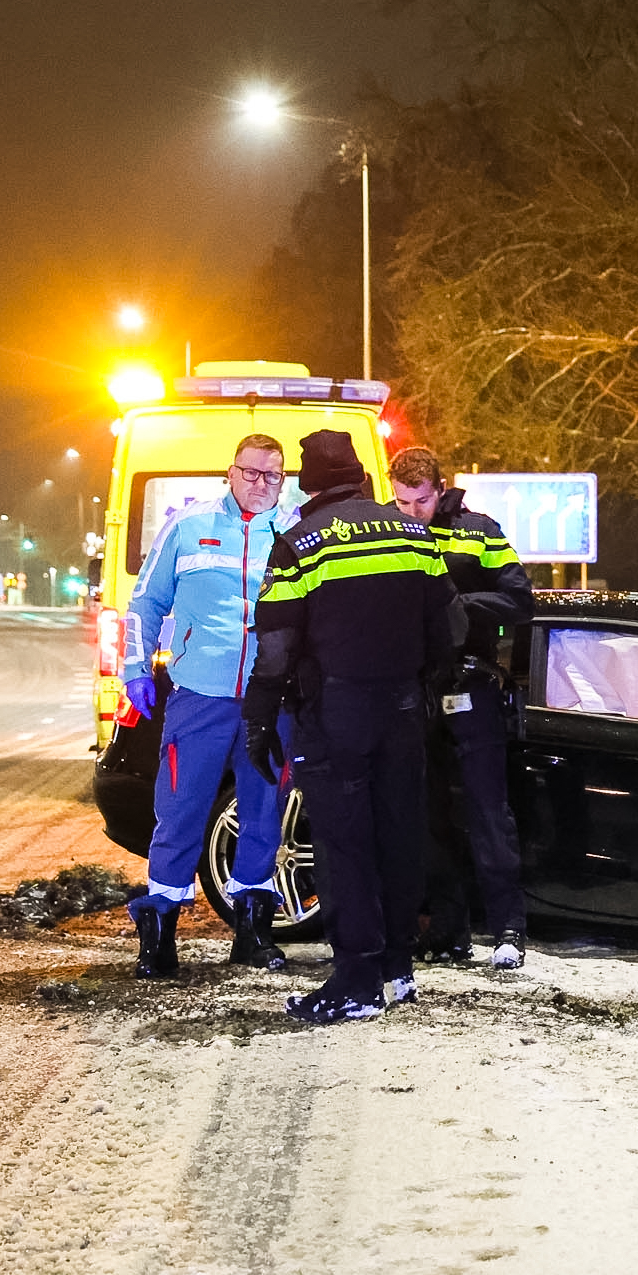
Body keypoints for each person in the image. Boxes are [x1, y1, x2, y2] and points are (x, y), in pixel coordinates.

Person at [243, 429, 460, 1023]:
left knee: (345, 846)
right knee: (398, 835)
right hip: (402, 710)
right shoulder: (414, 532)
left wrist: (259, 718)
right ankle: (396, 971)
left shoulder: (298, 543)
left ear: (308, 483)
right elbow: (450, 627)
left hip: (336, 714)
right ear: (361, 477)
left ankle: (356, 981)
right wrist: (421, 684)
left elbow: (277, 649)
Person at [121, 434, 299, 979]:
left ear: (283, 478)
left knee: (264, 815)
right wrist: (133, 668)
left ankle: (252, 934)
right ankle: (159, 936)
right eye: (251, 473)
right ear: (231, 471)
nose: (260, 484)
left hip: (273, 699)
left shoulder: (296, 530)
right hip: (199, 695)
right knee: (179, 813)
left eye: (272, 476)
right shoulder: (187, 525)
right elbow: (145, 602)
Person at [388, 446, 535, 970]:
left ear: (439, 488)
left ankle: (508, 930)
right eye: (401, 502)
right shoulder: (385, 530)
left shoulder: (479, 530)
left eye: (420, 501)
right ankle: (449, 930)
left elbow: (521, 600)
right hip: (413, 688)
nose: (410, 513)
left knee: (488, 810)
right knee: (427, 816)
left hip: (472, 685)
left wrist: (457, 606)